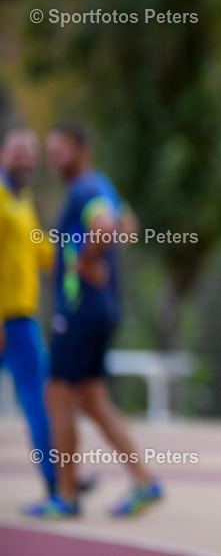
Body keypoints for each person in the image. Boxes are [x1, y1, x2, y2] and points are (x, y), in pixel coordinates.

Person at [23, 121, 160, 518]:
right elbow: (127, 226)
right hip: (98, 310)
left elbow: (104, 227)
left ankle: (65, 495)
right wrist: (98, 253)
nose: (52, 159)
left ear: (82, 150)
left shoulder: (84, 188)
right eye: (49, 152)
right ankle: (143, 480)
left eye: (60, 150)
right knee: (91, 398)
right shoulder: (100, 186)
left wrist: (86, 260)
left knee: (56, 394)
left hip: (80, 313)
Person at [0, 126, 56, 500]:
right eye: (19, 149)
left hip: (22, 322)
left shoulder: (23, 198)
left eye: (30, 151)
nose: (26, 157)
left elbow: (45, 254)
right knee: (40, 401)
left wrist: (83, 252)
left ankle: (58, 481)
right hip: (6, 320)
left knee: (41, 402)